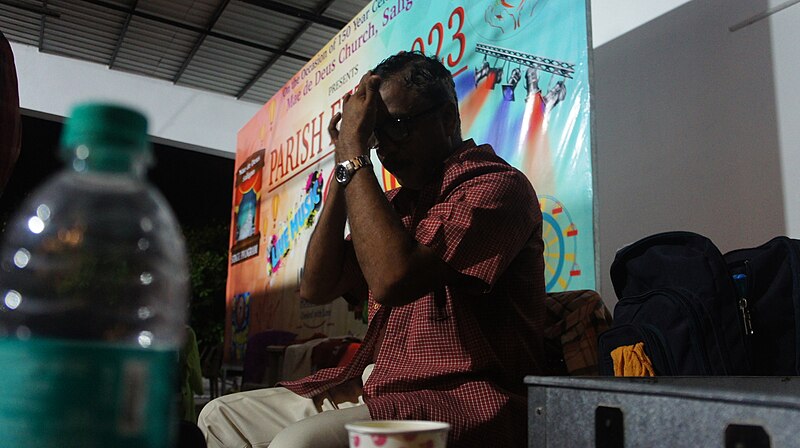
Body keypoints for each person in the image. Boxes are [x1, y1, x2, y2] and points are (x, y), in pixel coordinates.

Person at [197, 51, 547, 448]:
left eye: (397, 126)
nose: (386, 149)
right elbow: (317, 286)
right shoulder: (397, 206)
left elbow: (391, 279)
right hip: (382, 389)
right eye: (375, 135)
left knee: (299, 443)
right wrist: (342, 163)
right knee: (219, 415)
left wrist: (353, 155)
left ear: (448, 118)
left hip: (464, 398)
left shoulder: (494, 187)